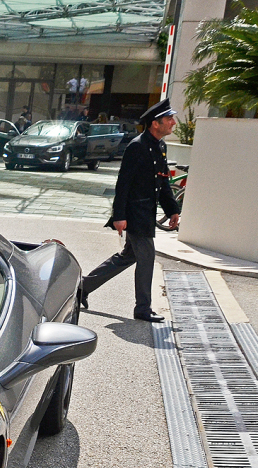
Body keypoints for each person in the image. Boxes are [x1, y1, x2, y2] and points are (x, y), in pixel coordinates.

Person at [78, 98, 181, 323]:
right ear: (155, 123)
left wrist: (173, 209)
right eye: (169, 119)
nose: (173, 122)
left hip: (146, 212)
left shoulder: (160, 146)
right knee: (147, 258)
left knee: (128, 257)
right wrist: (119, 216)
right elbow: (123, 184)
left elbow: (162, 182)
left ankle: (83, 287)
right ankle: (142, 309)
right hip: (135, 214)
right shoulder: (137, 146)